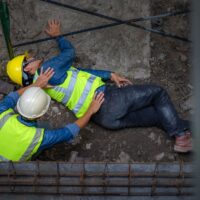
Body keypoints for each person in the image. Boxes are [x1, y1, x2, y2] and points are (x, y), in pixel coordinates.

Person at [6, 20, 192, 153]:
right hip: (108, 100)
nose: (31, 57)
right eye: (27, 59)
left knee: (157, 115)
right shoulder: (48, 69)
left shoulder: (41, 88)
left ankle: (185, 130)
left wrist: (110, 75)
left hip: (104, 119)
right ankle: (181, 137)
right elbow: (70, 52)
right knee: (158, 93)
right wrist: (58, 36)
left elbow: (80, 73)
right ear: (28, 69)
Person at [0, 68, 104, 161]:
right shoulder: (38, 138)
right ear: (41, 115)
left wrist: (36, 84)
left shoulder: (2, 113)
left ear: (19, 104)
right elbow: (69, 132)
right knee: (46, 127)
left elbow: (12, 97)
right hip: (11, 171)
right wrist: (91, 110)